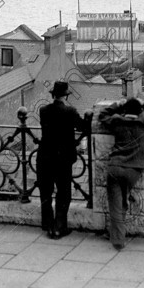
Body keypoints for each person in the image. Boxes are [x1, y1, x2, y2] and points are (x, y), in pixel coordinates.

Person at [98, 97, 144, 250]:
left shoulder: (116, 121)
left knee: (116, 204)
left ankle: (118, 238)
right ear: (139, 111)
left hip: (115, 166)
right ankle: (117, 234)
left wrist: (117, 104)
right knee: (123, 201)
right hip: (134, 168)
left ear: (125, 111)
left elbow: (102, 115)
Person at [37, 81, 85, 239]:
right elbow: (83, 126)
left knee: (46, 191)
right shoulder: (70, 111)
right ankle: (59, 227)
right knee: (63, 193)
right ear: (66, 95)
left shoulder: (43, 110)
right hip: (62, 157)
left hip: (44, 155)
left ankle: (47, 223)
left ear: (53, 95)